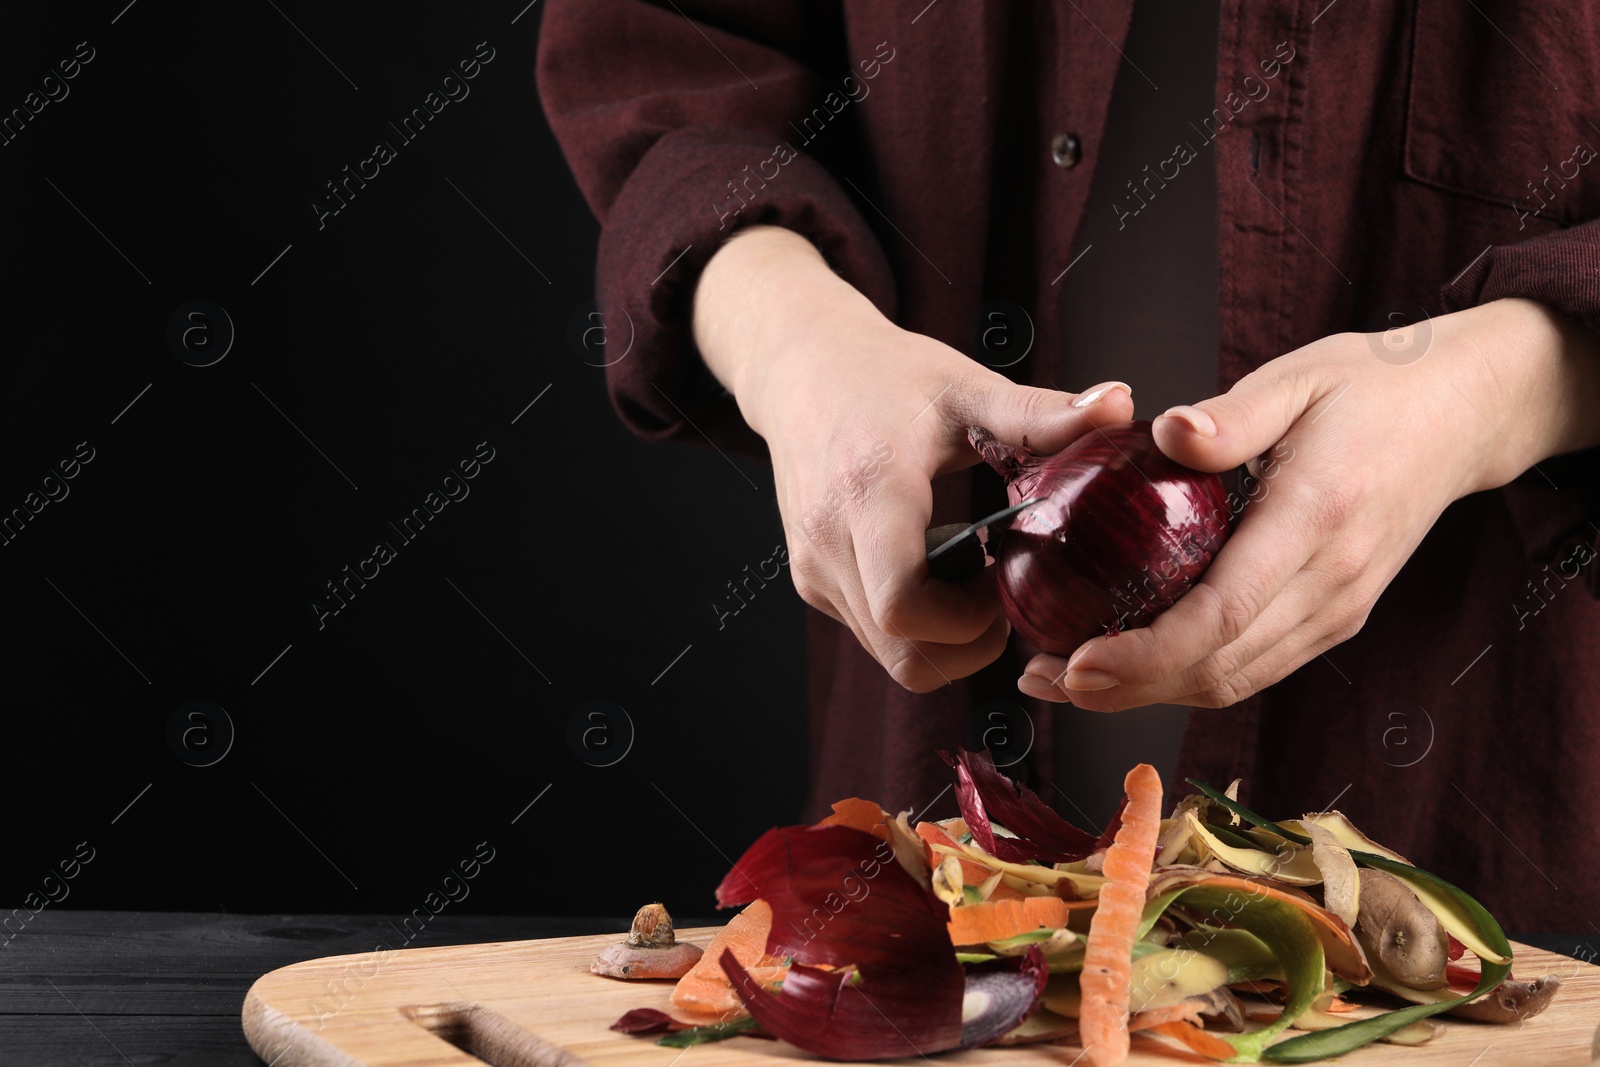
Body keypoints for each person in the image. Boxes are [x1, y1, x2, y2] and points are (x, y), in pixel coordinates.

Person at [537, 0, 1600, 932]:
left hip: (1484, 774)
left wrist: (1501, 387)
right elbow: (661, 42)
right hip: (934, 797)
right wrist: (790, 335)